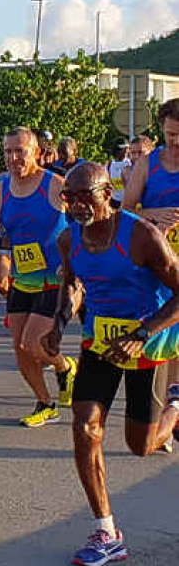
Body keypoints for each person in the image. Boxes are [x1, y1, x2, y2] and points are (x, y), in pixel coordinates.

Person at [42, 162, 179, 566]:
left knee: (141, 446)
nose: (78, 204)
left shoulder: (141, 235)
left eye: (87, 195)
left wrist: (141, 335)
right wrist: (58, 325)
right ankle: (106, 531)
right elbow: (72, 284)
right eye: (70, 196)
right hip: (100, 343)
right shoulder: (70, 239)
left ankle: (174, 410)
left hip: (148, 343)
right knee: (85, 426)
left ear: (108, 193)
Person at [0, 127, 78, 427]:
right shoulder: (0, 190)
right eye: (8, 152)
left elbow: (83, 222)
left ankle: (65, 366)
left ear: (36, 153)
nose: (13, 158)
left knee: (32, 342)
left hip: (56, 277)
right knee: (20, 348)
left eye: (20, 151)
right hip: (23, 277)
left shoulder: (55, 185)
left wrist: (75, 261)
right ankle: (45, 402)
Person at [122, 99, 179, 451]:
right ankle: (171, 405)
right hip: (158, 258)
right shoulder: (149, 163)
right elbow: (126, 210)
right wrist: (154, 213)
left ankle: (173, 403)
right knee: (166, 325)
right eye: (171, 134)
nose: (176, 142)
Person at [107, 142, 131, 207]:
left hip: (128, 202)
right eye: (123, 148)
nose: (126, 150)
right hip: (114, 201)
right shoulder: (109, 165)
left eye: (127, 148)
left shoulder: (130, 163)